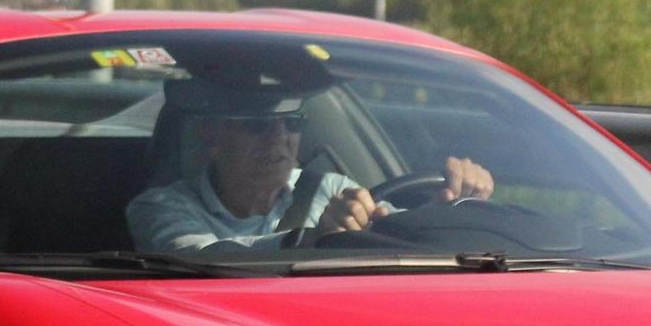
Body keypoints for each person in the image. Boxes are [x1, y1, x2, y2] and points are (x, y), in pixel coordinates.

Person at [126, 86, 492, 255]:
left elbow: (402, 235)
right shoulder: (161, 207)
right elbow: (203, 259)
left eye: (294, 123)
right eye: (258, 126)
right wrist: (314, 240)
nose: (280, 139)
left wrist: (455, 207)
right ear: (212, 135)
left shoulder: (328, 189)